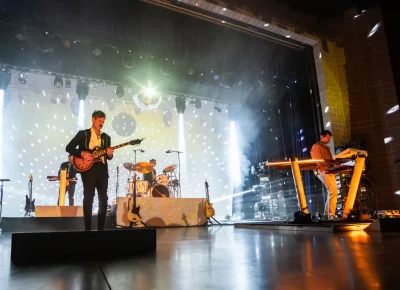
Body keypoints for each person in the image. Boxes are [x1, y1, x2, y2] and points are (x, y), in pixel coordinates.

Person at [66, 110, 114, 230]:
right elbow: (69, 147)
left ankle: (101, 228)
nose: (101, 123)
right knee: (89, 196)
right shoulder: (83, 134)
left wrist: (109, 154)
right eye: (99, 121)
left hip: (102, 169)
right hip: (88, 168)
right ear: (93, 119)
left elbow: (109, 157)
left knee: (103, 197)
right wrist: (81, 152)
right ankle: (87, 228)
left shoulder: (107, 137)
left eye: (103, 121)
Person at [310, 130, 339, 221]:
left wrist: (334, 168)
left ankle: (327, 215)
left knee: (332, 192)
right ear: (322, 137)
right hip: (323, 171)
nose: (329, 140)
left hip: (329, 171)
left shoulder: (327, 148)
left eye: (329, 138)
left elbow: (330, 160)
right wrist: (323, 171)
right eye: (327, 138)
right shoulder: (316, 146)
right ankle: (330, 214)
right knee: (333, 191)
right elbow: (317, 160)